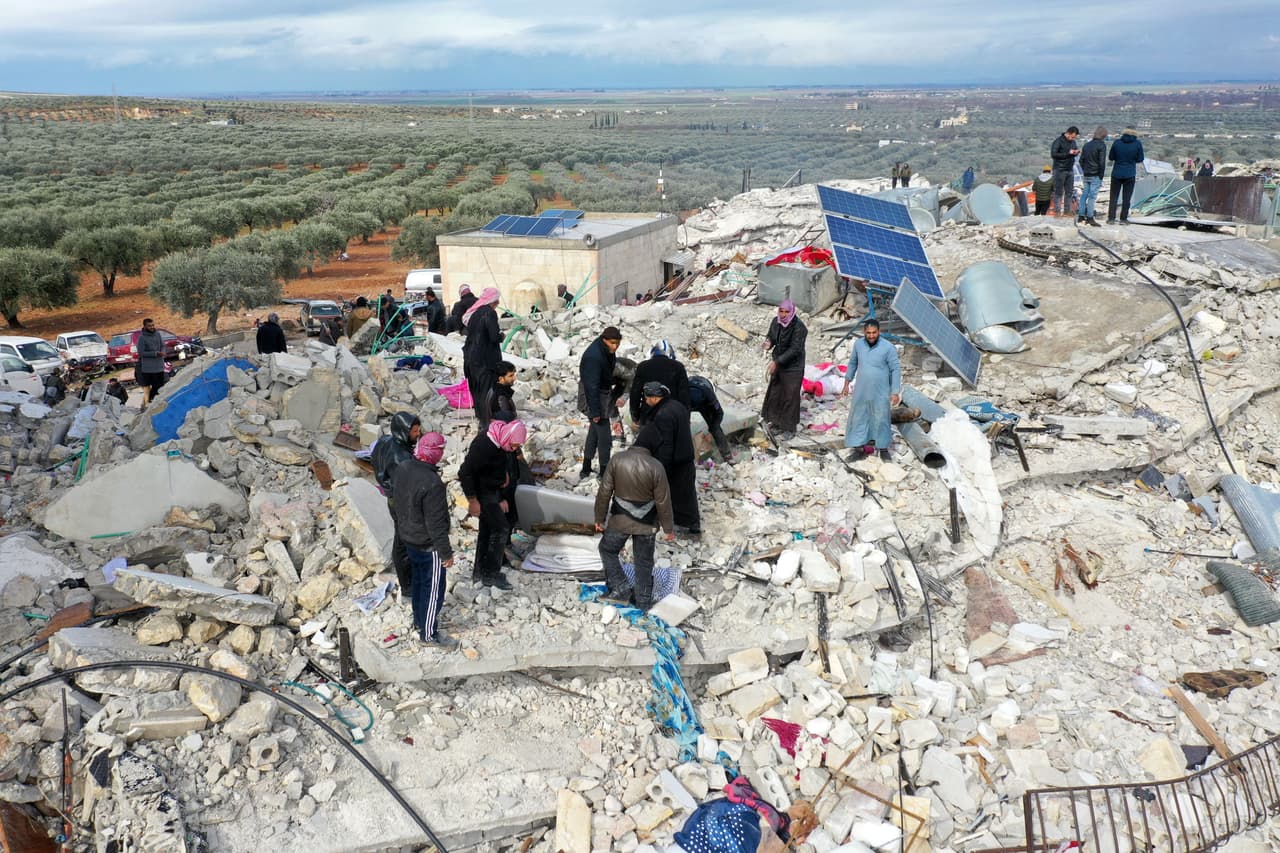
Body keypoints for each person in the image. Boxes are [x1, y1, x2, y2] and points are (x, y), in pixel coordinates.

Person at [593, 425, 675, 610]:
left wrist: (599, 518)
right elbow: (663, 502)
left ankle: (620, 587)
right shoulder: (656, 467)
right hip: (647, 525)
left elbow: (604, 492)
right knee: (644, 562)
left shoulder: (617, 460)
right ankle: (643, 602)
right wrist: (668, 529)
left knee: (607, 550)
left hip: (619, 521)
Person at [391, 432, 457, 648]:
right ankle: (428, 635)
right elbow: (436, 523)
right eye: (441, 450)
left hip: (409, 538)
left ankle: (419, 622)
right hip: (429, 546)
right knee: (433, 590)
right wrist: (446, 553)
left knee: (419, 584)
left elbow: (396, 501)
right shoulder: (432, 482)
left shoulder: (403, 468)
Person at [459, 419, 528, 591]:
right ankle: (491, 574)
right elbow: (465, 472)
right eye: (513, 445)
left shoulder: (502, 441)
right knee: (500, 529)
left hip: (492, 490)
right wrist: (473, 500)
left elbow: (497, 468)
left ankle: (480, 571)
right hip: (482, 492)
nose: (514, 449)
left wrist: (500, 496)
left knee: (487, 529)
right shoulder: (484, 445)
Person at [640, 382, 700, 534]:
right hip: (686, 456)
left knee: (672, 493)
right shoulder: (677, 405)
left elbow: (666, 444)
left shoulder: (663, 414)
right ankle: (693, 524)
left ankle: (677, 524)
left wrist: (662, 467)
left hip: (675, 461)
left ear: (654, 397)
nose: (645, 401)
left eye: (647, 398)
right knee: (687, 493)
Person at [373, 412, 423, 593]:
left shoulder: (386, 440)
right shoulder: (401, 459)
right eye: (414, 431)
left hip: (392, 496)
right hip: (401, 501)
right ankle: (407, 584)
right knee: (403, 540)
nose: (418, 434)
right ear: (403, 432)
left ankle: (408, 577)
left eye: (418, 430)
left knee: (402, 536)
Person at [840, 319, 901, 460]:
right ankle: (858, 448)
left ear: (879, 332)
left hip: (880, 390)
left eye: (874, 332)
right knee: (858, 417)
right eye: (868, 333)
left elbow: (895, 369)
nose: (871, 336)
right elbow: (853, 363)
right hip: (861, 390)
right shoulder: (858, 345)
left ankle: (883, 449)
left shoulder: (888, 347)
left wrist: (895, 392)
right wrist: (847, 382)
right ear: (864, 332)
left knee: (881, 418)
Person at [577, 326, 622, 479]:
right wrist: (595, 411)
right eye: (612, 343)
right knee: (604, 437)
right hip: (592, 396)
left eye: (617, 343)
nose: (615, 347)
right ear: (604, 340)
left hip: (599, 393)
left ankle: (586, 467)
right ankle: (604, 471)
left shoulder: (605, 350)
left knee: (594, 432)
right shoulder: (594, 357)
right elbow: (591, 386)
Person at [760, 300, 807, 439]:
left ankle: (789, 428)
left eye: (787, 312)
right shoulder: (776, 322)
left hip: (793, 367)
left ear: (792, 312)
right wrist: (769, 342)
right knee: (776, 393)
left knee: (790, 396)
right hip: (779, 363)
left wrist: (777, 362)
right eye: (781, 311)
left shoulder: (799, 327)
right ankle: (776, 423)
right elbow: (771, 336)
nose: (784, 314)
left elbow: (795, 349)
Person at [462, 287, 502, 423]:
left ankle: (481, 418)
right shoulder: (490, 313)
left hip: (470, 358)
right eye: (497, 300)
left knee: (477, 389)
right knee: (486, 390)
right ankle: (487, 422)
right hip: (484, 360)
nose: (498, 303)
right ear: (492, 301)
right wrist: (501, 336)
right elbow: (494, 336)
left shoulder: (475, 313)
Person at [630, 340, 691, 427]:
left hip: (648, 415)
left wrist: (635, 417)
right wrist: (685, 419)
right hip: (672, 416)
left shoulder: (643, 367)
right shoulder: (678, 367)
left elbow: (635, 394)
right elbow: (685, 396)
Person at [1107, 128, 1145, 225]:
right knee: (1127, 198)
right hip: (1130, 174)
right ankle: (1123, 219)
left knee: (1113, 197)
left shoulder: (1117, 142)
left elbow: (1111, 157)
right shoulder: (1137, 144)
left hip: (1116, 173)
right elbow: (1140, 159)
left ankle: (1111, 218)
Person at [689, 375, 732, 460]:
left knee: (716, 429)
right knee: (682, 429)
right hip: (686, 404)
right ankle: (687, 458)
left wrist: (713, 427)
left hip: (705, 405)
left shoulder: (709, 395)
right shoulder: (681, 393)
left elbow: (719, 413)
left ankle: (727, 455)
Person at [1078, 127, 1107, 227]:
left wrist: (1085, 170)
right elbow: (1102, 162)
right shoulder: (1101, 145)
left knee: (1084, 195)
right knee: (1092, 196)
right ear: (1103, 136)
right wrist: (1101, 175)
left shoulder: (1086, 145)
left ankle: (1081, 216)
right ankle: (1090, 217)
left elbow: (1081, 160)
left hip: (1086, 174)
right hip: (1096, 175)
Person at [136, 318, 167, 409]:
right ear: (145, 326)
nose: (152, 327)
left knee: (160, 386)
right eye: (149, 326)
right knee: (153, 387)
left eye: (153, 325)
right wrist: (155, 353)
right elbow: (141, 353)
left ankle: (153, 404)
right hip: (149, 368)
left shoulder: (158, 334)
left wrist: (163, 352)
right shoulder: (142, 338)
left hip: (159, 366)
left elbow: (162, 345)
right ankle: (149, 404)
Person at [1050, 126, 1080, 215]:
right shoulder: (1058, 141)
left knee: (1069, 192)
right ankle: (1057, 212)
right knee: (1058, 192)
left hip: (1070, 169)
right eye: (1073, 137)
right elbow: (1053, 154)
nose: (1073, 139)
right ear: (1068, 133)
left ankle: (1067, 211)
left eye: (1075, 137)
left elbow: (1074, 150)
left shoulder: (1073, 142)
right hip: (1059, 169)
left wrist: (1075, 152)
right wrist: (1068, 153)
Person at [482, 360, 518, 426]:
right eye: (511, 376)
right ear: (501, 378)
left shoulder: (495, 389)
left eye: (514, 375)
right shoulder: (501, 397)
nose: (514, 378)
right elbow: (507, 421)